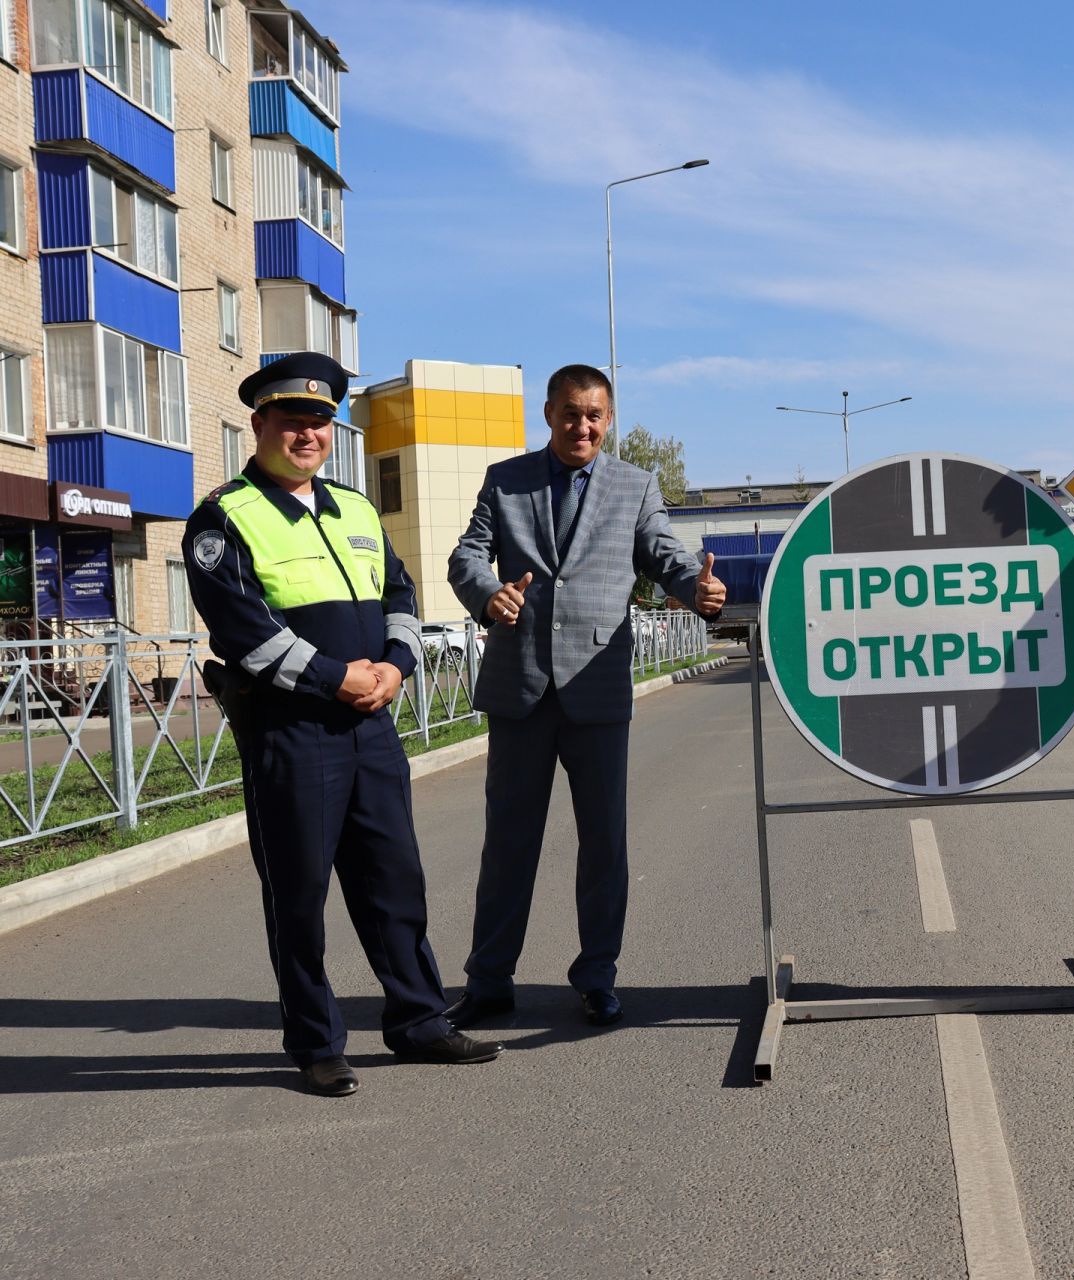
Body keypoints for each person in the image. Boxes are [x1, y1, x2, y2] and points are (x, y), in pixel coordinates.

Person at [184, 352, 503, 1096]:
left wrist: (396, 664)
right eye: (292, 421)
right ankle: (316, 1042)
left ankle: (420, 1021)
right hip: (291, 732)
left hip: (372, 727)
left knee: (395, 883)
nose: (308, 434)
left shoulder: (355, 508)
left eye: (320, 421)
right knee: (298, 897)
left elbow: (400, 589)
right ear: (258, 424)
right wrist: (338, 677)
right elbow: (242, 630)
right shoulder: (224, 517)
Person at [443, 364, 724, 1030]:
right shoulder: (506, 481)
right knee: (508, 843)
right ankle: (489, 980)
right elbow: (467, 555)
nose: (583, 426)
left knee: (604, 844)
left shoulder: (635, 485)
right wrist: (488, 594)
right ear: (549, 414)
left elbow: (664, 555)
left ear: (609, 418)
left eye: (595, 415)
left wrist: (695, 589)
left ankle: (597, 976)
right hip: (522, 690)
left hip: (596, 689)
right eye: (571, 413)